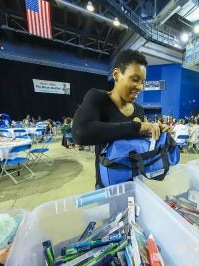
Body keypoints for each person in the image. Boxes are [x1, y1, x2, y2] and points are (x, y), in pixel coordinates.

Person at [72, 49, 171, 189]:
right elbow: (80, 133)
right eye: (135, 79)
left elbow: (142, 146)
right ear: (117, 74)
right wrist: (138, 127)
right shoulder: (98, 98)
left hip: (137, 185)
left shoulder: (139, 110)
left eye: (143, 82)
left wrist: (157, 131)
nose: (140, 87)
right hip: (108, 186)